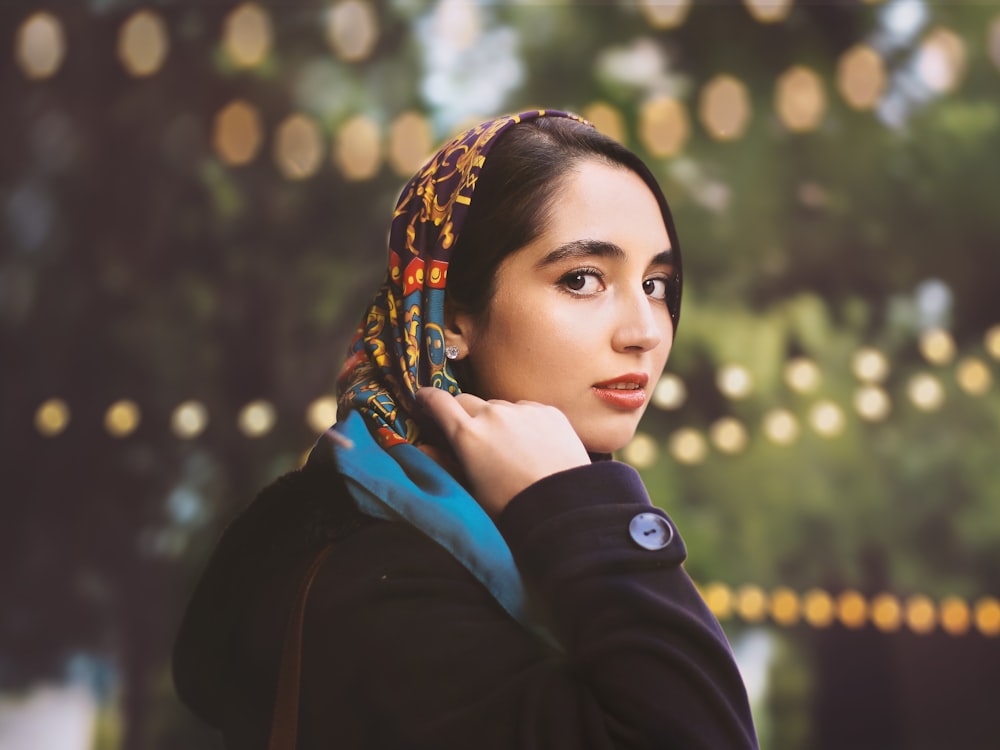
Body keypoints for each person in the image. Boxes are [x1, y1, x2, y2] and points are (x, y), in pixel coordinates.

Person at [173, 110, 759, 749]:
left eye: (655, 284)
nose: (644, 330)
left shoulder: (499, 538)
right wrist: (577, 506)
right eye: (583, 279)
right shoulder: (379, 587)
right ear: (448, 317)